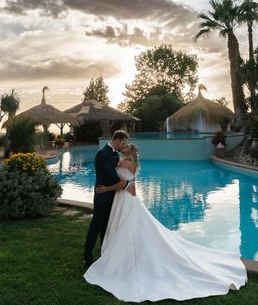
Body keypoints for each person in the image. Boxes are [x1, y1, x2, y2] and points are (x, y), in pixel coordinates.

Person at [84, 143, 247, 302]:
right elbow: (129, 181)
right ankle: (124, 251)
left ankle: (125, 256)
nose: (123, 147)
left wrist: (105, 189)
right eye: (124, 145)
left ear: (129, 151)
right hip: (126, 198)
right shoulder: (130, 162)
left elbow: (122, 183)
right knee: (129, 226)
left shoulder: (125, 162)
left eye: (126, 146)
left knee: (127, 227)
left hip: (125, 198)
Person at [83, 129, 129, 268]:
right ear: (117, 140)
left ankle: (104, 253)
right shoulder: (102, 154)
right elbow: (111, 175)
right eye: (123, 142)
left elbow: (119, 169)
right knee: (96, 226)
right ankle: (87, 256)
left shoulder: (115, 154)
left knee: (107, 226)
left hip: (113, 195)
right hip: (102, 195)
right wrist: (127, 183)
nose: (123, 145)